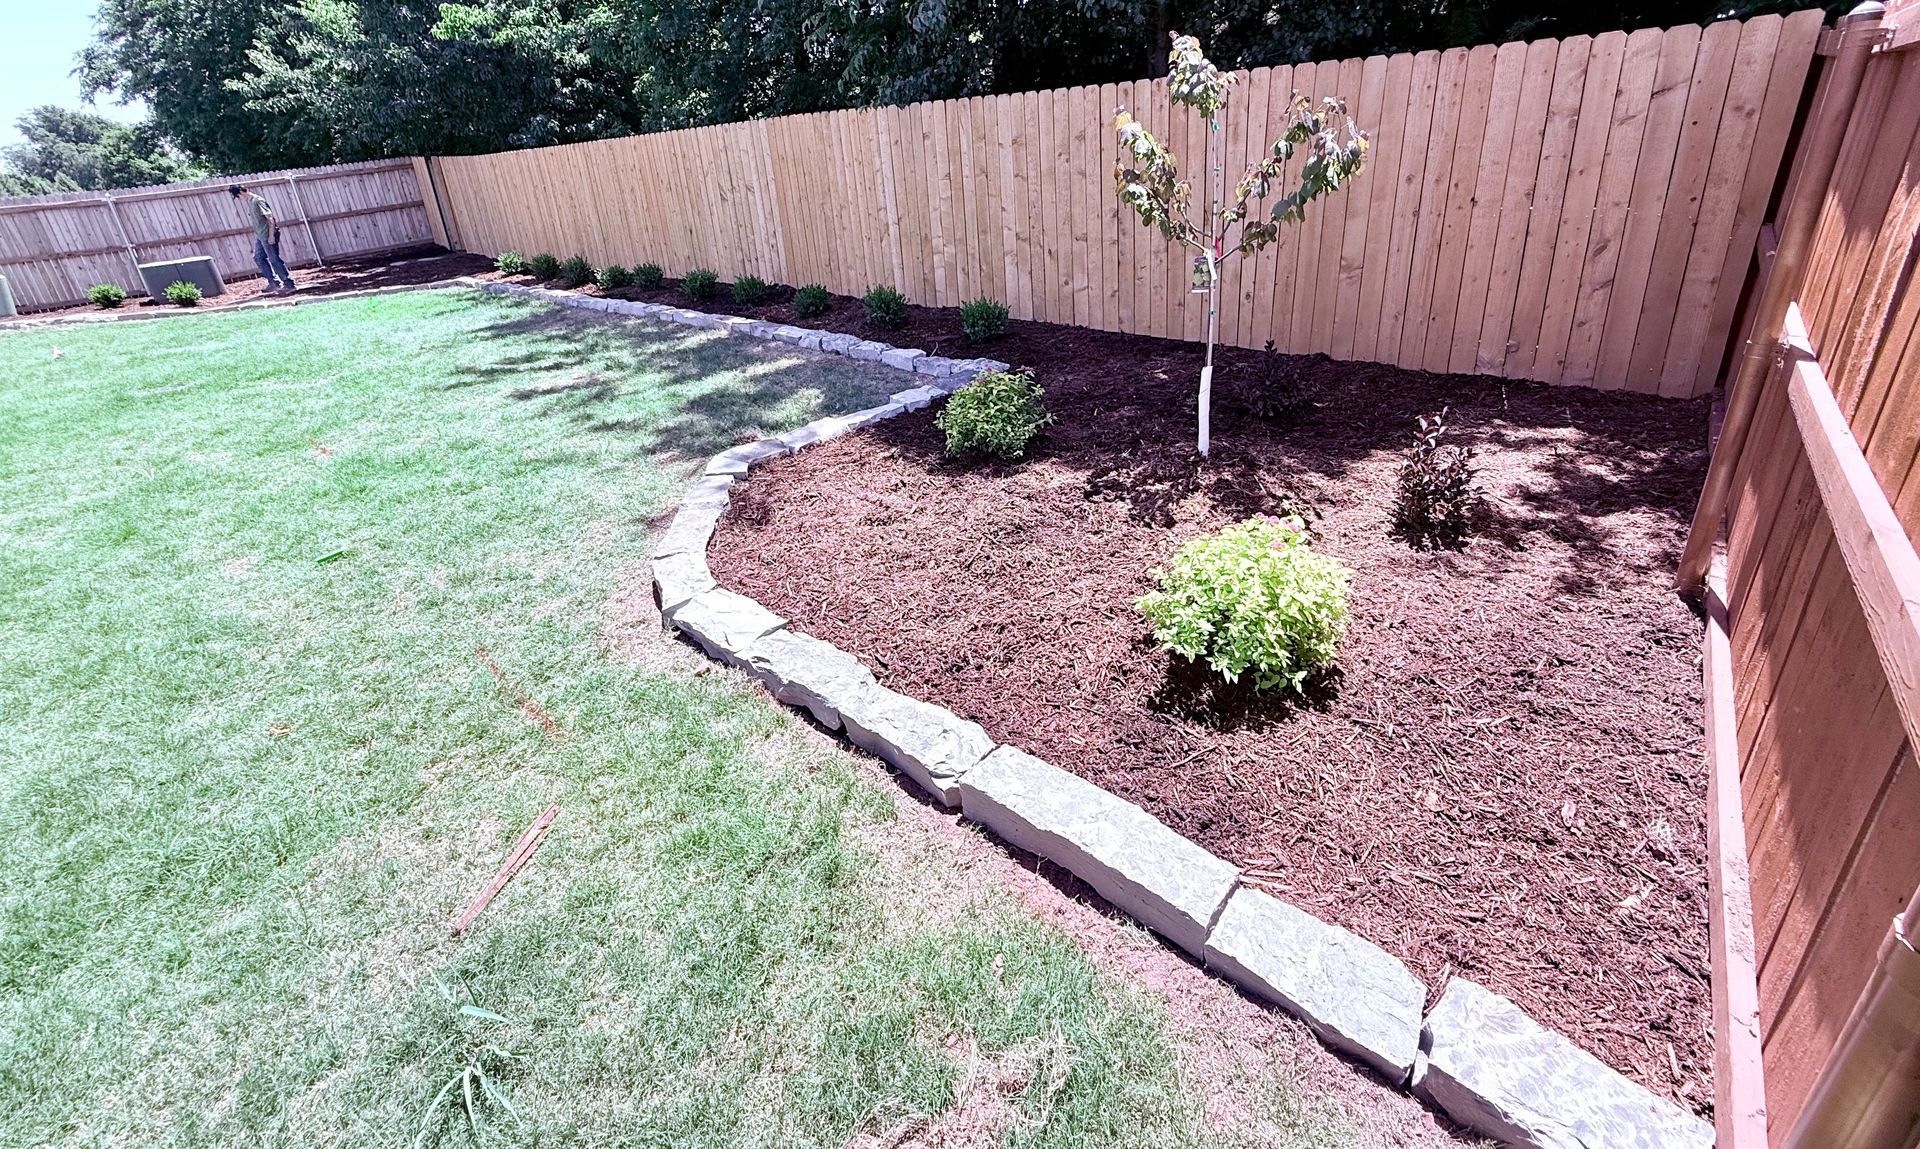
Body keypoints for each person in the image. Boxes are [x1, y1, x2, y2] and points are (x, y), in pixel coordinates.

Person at [229, 184, 296, 295]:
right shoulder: (249, 202)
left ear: (241, 192)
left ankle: (289, 284)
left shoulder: (257, 201)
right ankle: (274, 282)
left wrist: (271, 236)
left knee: (274, 259)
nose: (239, 199)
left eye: (237, 197)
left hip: (267, 235)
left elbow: (270, 218)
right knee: (258, 258)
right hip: (260, 236)